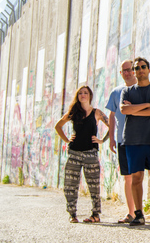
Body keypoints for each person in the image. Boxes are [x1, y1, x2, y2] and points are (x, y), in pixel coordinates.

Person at [105, 60, 150, 224]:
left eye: (132, 69)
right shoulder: (118, 92)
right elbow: (115, 114)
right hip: (125, 140)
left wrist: (134, 109)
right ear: (121, 73)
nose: (129, 72)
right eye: (125, 70)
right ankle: (133, 213)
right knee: (130, 178)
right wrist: (111, 138)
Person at [119, 57, 150, 226]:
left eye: (143, 67)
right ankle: (138, 213)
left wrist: (135, 109)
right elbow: (124, 109)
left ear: (149, 69)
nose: (140, 70)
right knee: (136, 178)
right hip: (133, 141)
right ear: (134, 71)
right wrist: (147, 105)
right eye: (137, 68)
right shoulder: (127, 91)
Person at [54, 86, 109, 223]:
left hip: (91, 153)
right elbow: (58, 126)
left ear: (90, 95)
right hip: (74, 153)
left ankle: (95, 214)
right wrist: (67, 139)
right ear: (78, 96)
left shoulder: (97, 113)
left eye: (85, 93)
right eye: (80, 93)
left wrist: (102, 140)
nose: (83, 95)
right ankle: (72, 214)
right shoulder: (73, 112)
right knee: (70, 185)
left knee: (94, 185)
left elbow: (112, 125)